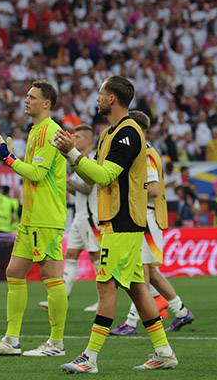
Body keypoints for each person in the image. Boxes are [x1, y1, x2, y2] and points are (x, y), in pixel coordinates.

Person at [53, 76, 177, 373]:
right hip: (114, 220)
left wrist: (73, 152)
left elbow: (106, 175)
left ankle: (90, 358)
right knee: (136, 288)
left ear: (112, 99)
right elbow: (92, 175)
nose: (96, 99)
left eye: (100, 94)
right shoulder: (109, 133)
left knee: (105, 285)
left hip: (123, 221)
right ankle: (164, 352)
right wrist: (71, 157)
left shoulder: (128, 133)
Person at [0, 80, 68, 357]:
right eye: (27, 96)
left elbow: (39, 175)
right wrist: (11, 157)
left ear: (47, 104)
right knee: (14, 273)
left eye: (32, 97)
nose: (26, 100)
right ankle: (11, 340)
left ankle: (56, 343)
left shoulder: (50, 131)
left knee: (52, 277)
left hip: (46, 217)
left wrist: (7, 159)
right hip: (30, 217)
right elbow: (32, 169)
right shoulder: (34, 131)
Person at [110, 110, 194, 336]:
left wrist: (127, 193)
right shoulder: (144, 151)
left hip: (145, 218)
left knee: (142, 274)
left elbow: (153, 190)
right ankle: (181, 311)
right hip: (146, 217)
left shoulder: (144, 155)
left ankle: (130, 323)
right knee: (152, 273)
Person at [39, 124, 100, 312]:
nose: (75, 139)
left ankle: (103, 300)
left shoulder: (93, 159)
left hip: (91, 217)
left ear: (89, 140)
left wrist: (65, 180)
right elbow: (77, 189)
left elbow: (88, 187)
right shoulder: (78, 160)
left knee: (96, 257)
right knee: (71, 255)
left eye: (79, 137)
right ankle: (60, 298)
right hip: (79, 216)